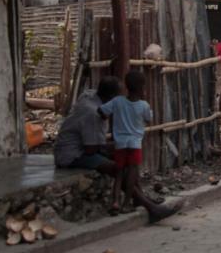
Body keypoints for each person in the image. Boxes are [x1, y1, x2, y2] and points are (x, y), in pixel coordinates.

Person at [54, 76, 180, 223]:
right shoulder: (93, 114)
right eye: (120, 94)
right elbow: (90, 150)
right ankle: (150, 207)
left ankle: (140, 199)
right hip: (72, 154)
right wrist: (111, 147)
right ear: (112, 97)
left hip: (80, 146)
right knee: (116, 167)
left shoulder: (91, 95)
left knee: (128, 160)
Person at [98, 71, 152, 215]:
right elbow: (149, 119)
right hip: (135, 144)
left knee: (119, 173)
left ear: (127, 86)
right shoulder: (144, 105)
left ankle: (115, 202)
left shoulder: (118, 101)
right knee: (132, 174)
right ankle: (126, 203)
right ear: (141, 88)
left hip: (120, 144)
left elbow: (101, 111)